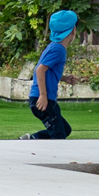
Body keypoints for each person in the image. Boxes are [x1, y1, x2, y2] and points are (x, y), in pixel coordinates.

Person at [26, 8, 78, 139]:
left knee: (65, 130)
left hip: (40, 98)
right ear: (73, 31)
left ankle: (31, 139)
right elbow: (40, 70)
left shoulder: (55, 47)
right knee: (59, 136)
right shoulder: (58, 49)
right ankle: (51, 157)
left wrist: (65, 78)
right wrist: (43, 95)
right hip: (43, 99)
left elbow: (47, 71)